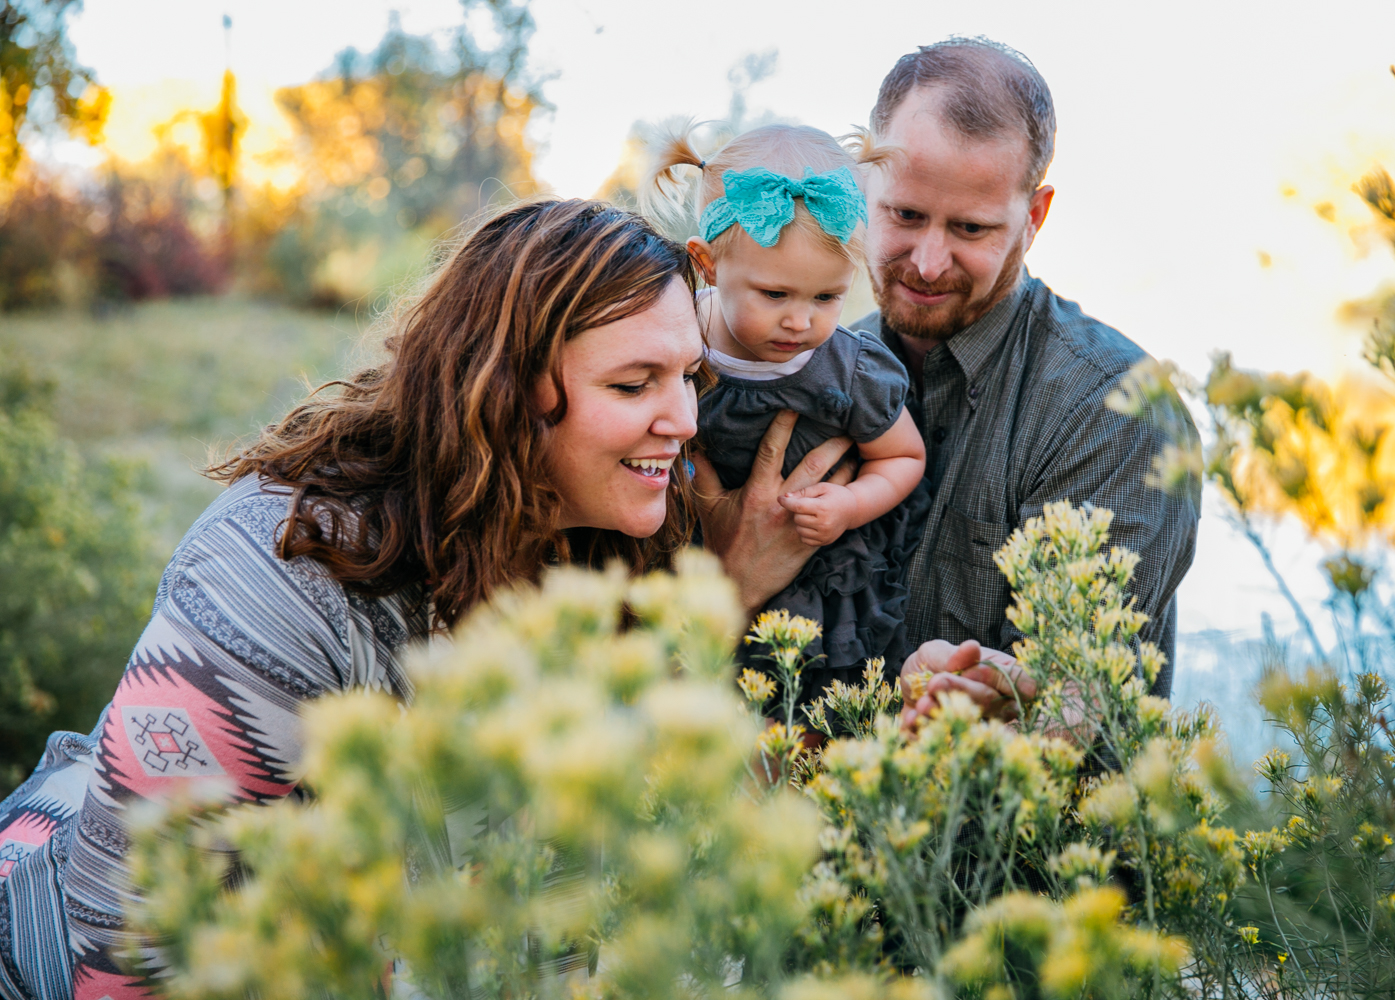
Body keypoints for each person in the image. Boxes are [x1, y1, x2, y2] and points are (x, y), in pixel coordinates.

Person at [0, 199, 724, 1000]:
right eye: (634, 384)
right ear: (502, 391)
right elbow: (130, 940)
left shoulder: (606, 549)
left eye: (689, 375)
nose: (684, 420)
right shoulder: (285, 565)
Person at [697, 38, 1201, 728]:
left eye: (970, 227)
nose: (928, 263)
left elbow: (1084, 716)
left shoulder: (1114, 412)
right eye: (905, 216)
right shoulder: (799, 360)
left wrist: (986, 707)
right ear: (865, 190)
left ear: (1035, 216)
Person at [649, 124, 929, 711]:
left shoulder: (846, 370)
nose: (801, 323)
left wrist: (849, 505)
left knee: (800, 710)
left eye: (827, 298)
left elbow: (903, 455)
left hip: (814, 576)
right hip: (688, 562)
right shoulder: (675, 341)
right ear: (706, 264)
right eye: (775, 295)